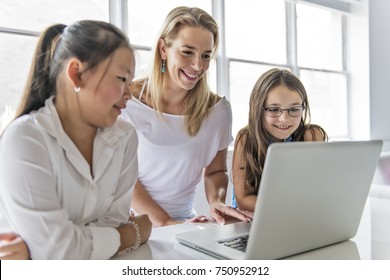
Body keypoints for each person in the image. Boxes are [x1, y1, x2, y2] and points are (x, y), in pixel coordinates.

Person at [0, 20, 152, 259]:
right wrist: (132, 234)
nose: (128, 95)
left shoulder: (125, 138)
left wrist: (46, 249)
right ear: (77, 74)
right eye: (122, 79)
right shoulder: (25, 139)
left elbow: (110, 223)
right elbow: (59, 251)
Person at [121, 6, 253, 227]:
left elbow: (216, 171)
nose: (197, 65)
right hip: (128, 224)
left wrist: (216, 201)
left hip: (184, 224)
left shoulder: (218, 111)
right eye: (187, 52)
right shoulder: (125, 100)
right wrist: (166, 222)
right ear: (164, 49)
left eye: (206, 56)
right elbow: (122, 178)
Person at [231, 68, 328, 212]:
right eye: (274, 109)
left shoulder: (311, 136)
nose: (284, 119)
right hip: (253, 220)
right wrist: (288, 209)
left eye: (294, 109)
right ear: (257, 108)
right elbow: (243, 200)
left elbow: (320, 190)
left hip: (299, 218)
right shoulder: (246, 139)